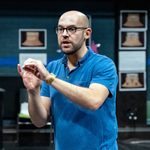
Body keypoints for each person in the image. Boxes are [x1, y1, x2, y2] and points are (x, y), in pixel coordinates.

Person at [17, 10, 118, 150]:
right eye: (60, 29)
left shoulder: (103, 65)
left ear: (87, 33)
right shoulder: (53, 68)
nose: (64, 34)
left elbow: (94, 101)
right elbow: (39, 121)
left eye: (72, 29)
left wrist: (49, 79)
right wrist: (33, 92)